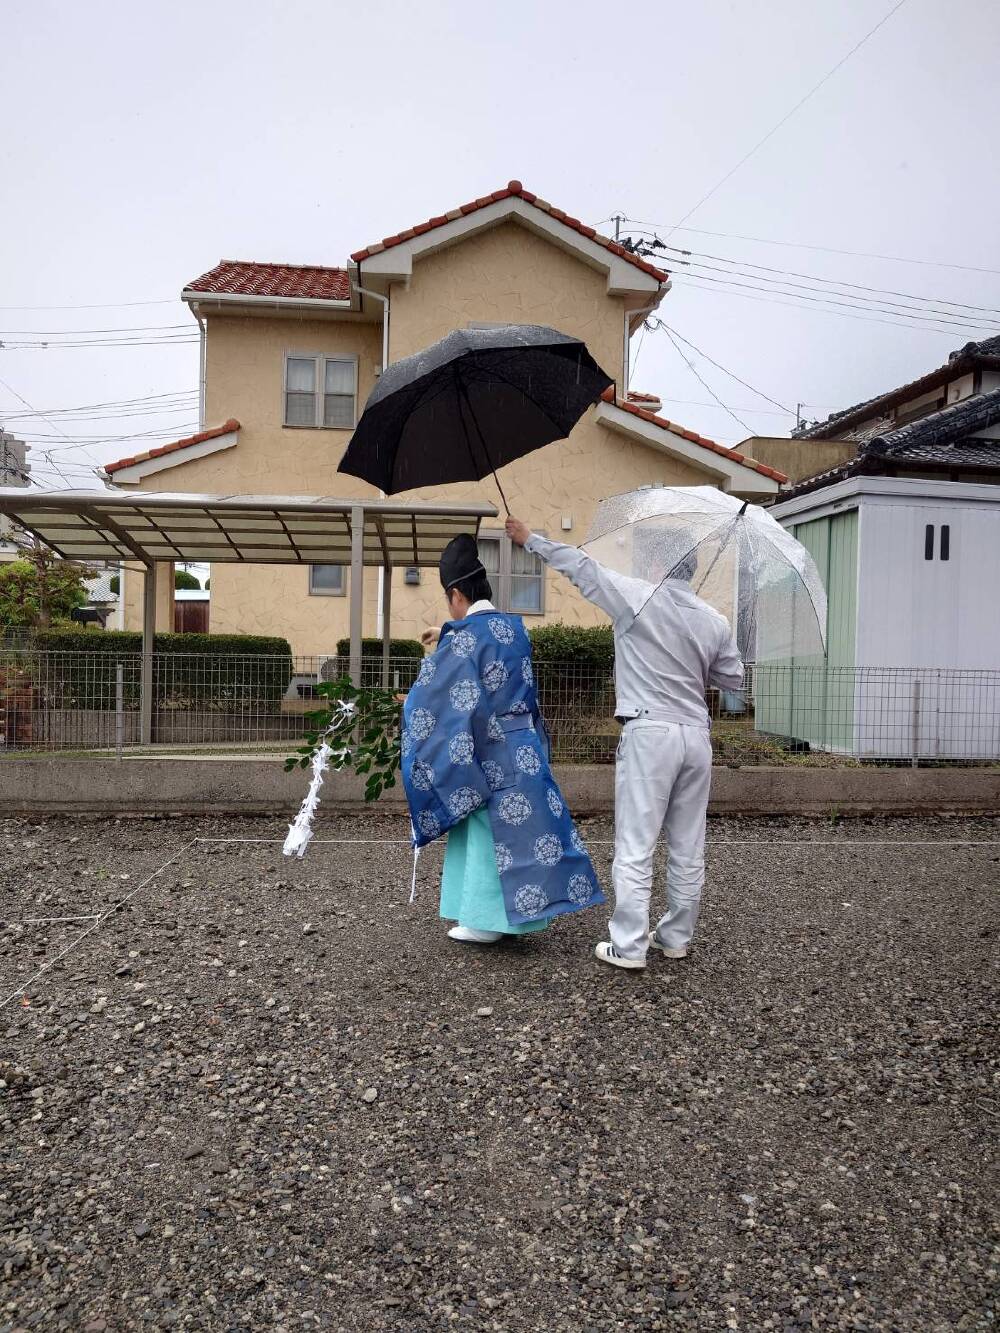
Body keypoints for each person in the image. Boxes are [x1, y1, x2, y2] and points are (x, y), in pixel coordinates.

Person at [505, 517, 743, 971]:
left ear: (656, 562)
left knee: (636, 843)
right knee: (688, 843)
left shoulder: (636, 597)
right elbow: (733, 678)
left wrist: (530, 540)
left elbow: (583, 567)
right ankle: (675, 937)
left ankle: (629, 946)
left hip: (650, 731)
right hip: (696, 735)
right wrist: (694, 660)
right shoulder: (713, 618)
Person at [400, 533, 604, 945]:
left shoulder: (463, 637)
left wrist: (411, 700)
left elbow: (445, 695)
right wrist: (447, 633)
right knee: (525, 835)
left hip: (488, 748)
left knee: (485, 831)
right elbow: (491, 663)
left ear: (456, 593)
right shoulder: (515, 628)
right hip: (522, 745)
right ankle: (520, 919)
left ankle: (483, 921)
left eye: (448, 599)